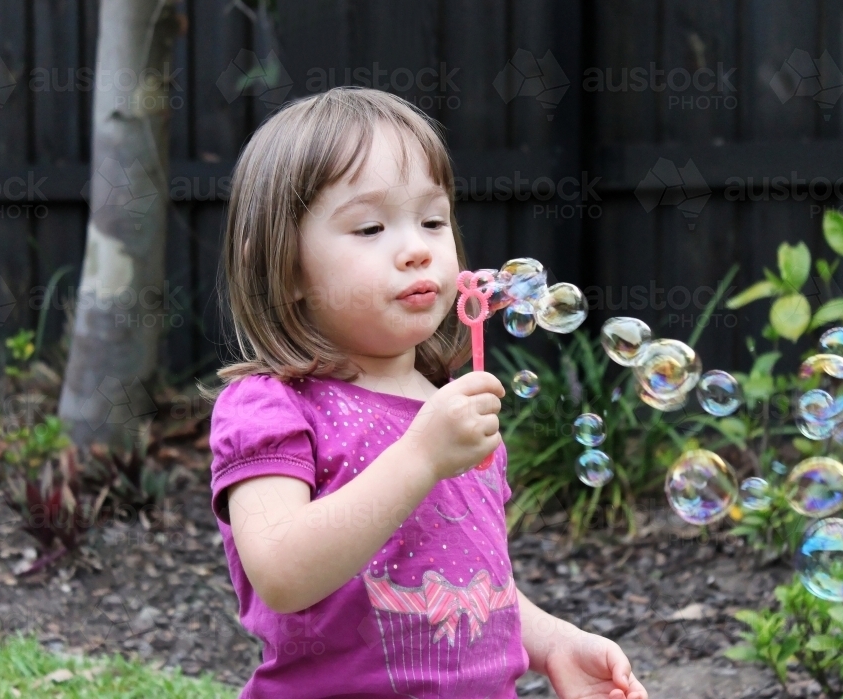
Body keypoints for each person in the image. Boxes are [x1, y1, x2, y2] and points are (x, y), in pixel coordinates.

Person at [203, 85, 649, 699]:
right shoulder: (270, 406)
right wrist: (420, 456)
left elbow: (471, 582)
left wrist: (551, 643)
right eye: (370, 227)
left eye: (433, 220)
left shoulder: (448, 407)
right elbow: (281, 571)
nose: (417, 249)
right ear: (285, 268)